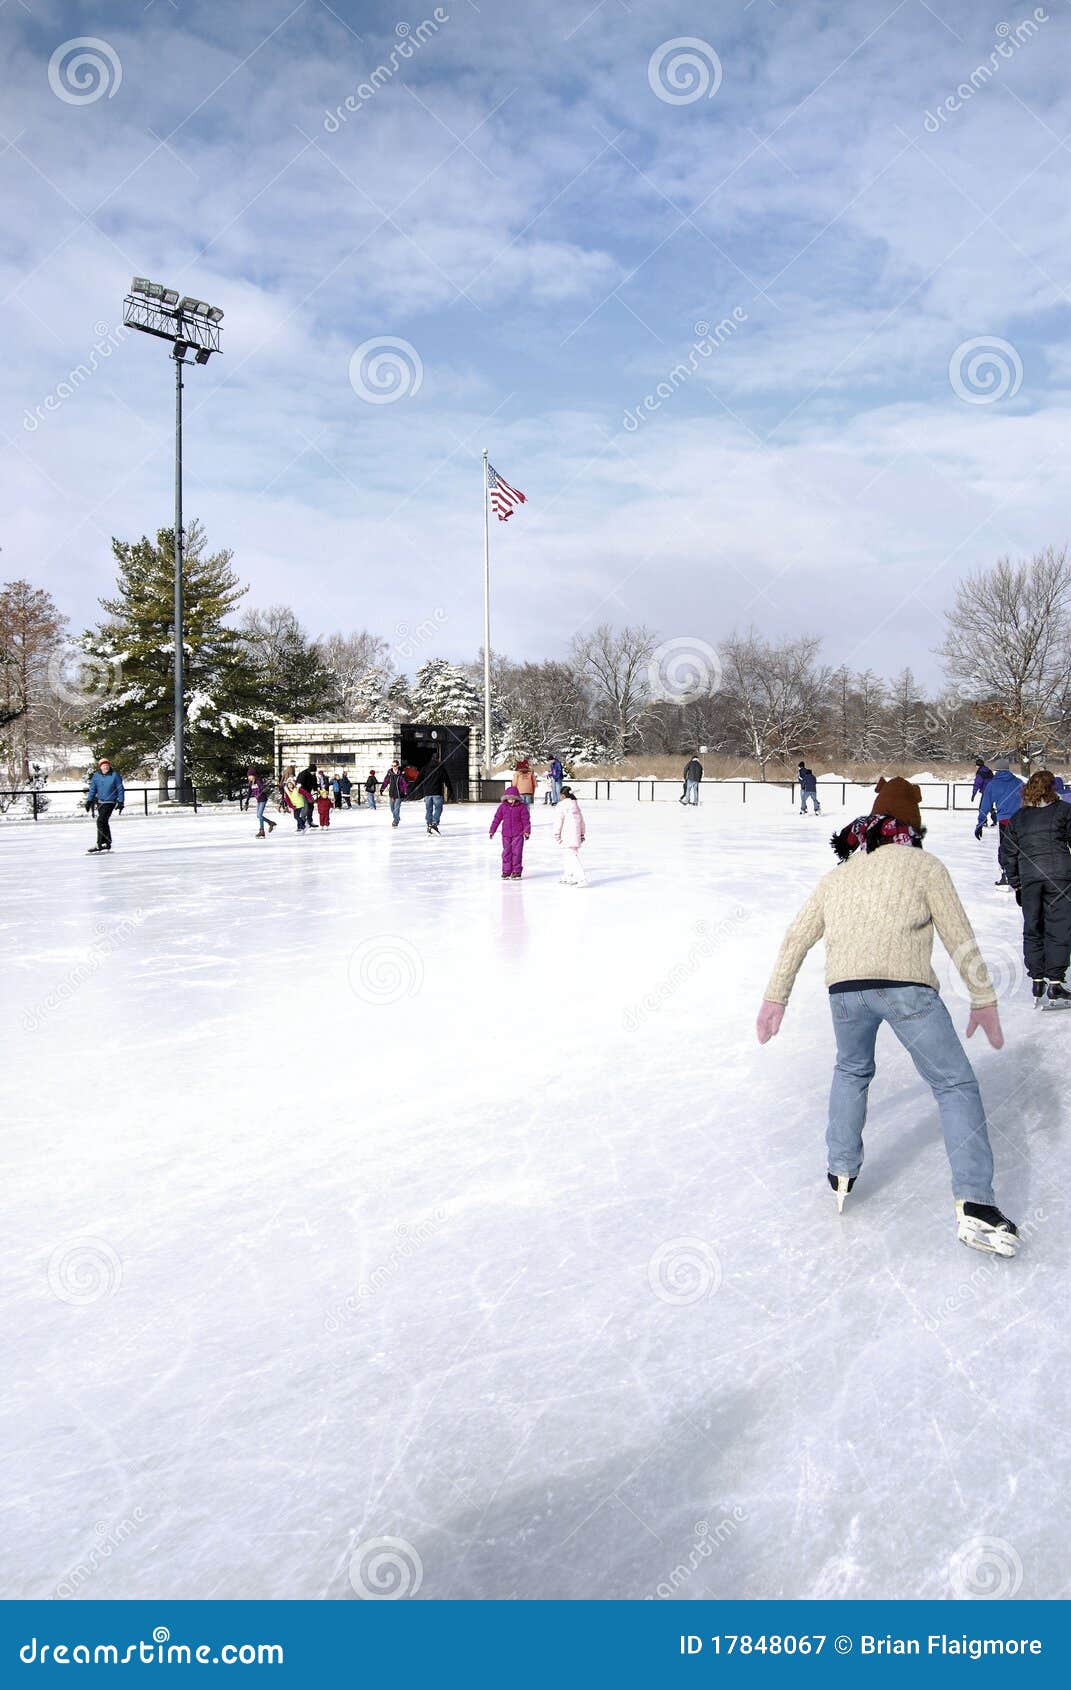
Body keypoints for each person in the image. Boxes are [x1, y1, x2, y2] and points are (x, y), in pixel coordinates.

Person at [756, 776, 1018, 1257]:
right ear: (912, 828)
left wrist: (776, 998)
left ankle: (840, 1170)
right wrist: (983, 999)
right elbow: (958, 936)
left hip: (845, 993)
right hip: (906, 989)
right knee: (955, 1085)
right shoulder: (924, 866)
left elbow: (797, 937)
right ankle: (977, 1204)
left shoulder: (840, 875)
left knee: (852, 1070)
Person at [1003, 769, 1071, 1009]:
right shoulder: (1064, 810)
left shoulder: (1019, 817)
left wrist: (1015, 881)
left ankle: (1037, 979)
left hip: (1030, 878)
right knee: (1059, 927)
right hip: (1059, 878)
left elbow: (1007, 852)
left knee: (1033, 927)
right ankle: (1055, 981)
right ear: (1053, 788)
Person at [974, 756, 1024, 885]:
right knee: (1019, 846)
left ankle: (1006, 875)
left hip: (1004, 821)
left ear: (996, 770)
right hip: (1020, 820)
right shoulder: (1019, 782)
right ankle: (1020, 874)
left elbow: (985, 806)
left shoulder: (992, 784)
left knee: (1005, 847)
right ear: (1008, 768)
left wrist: (980, 823)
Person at [489, 783, 531, 879]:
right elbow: (497, 819)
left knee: (517, 853)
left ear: (517, 798)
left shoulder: (522, 807)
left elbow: (526, 820)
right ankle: (506, 871)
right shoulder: (502, 807)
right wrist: (492, 830)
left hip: (518, 834)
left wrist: (527, 831)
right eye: (509, 798)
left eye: (513, 798)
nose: (511, 800)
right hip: (506, 834)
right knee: (506, 853)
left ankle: (516, 871)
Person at [84, 757, 124, 853]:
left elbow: (120, 789)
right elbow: (93, 789)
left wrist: (120, 802)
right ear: (100, 767)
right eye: (103, 766)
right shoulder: (96, 776)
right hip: (100, 802)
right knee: (104, 822)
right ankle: (107, 843)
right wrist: (89, 801)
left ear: (109, 766)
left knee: (100, 821)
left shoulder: (115, 775)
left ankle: (100, 844)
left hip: (110, 802)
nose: (105, 767)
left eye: (107, 766)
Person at [553, 784, 587, 885]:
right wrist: (581, 834)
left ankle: (582, 878)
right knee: (569, 855)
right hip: (575, 835)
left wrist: (556, 834)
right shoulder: (575, 805)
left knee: (572, 856)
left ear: (563, 796)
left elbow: (558, 821)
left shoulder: (561, 805)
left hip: (567, 834)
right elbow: (581, 821)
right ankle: (569, 875)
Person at [422, 750, 452, 834]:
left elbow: (419, 779)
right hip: (437, 793)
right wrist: (451, 791)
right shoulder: (441, 768)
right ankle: (434, 823)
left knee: (429, 810)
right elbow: (447, 780)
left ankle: (429, 824)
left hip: (427, 793)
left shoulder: (425, 768)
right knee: (438, 808)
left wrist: (411, 789)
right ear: (438, 759)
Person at [248, 770, 276, 838]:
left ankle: (265, 828)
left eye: (251, 775)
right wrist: (246, 801)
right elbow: (249, 792)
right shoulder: (251, 783)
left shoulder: (258, 781)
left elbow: (262, 787)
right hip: (258, 800)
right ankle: (267, 826)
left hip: (263, 799)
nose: (249, 777)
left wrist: (263, 789)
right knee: (259, 816)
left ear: (254, 775)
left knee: (259, 815)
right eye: (248, 776)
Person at [380, 761, 408, 826]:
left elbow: (405, 783)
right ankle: (397, 818)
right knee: (392, 808)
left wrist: (405, 791)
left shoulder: (401, 774)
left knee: (396, 808)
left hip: (399, 793)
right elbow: (386, 781)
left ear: (398, 766)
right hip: (392, 793)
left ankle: (395, 821)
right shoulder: (389, 773)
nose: (393, 767)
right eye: (392, 766)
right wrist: (382, 789)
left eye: (395, 766)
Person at [971, 758, 995, 825]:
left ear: (978, 765)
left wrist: (974, 793)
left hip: (985, 792)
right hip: (992, 791)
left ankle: (984, 822)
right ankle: (995, 820)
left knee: (982, 807)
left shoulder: (980, 772)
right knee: (990, 806)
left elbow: (977, 783)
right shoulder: (989, 771)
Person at [297, 763, 318, 827]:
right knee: (305, 807)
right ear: (309, 770)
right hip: (302, 792)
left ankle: (310, 821)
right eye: (312, 771)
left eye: (314, 771)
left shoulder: (313, 775)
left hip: (308, 793)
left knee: (311, 806)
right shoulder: (303, 774)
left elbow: (314, 783)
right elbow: (299, 784)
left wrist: (315, 791)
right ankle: (302, 822)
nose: (313, 773)